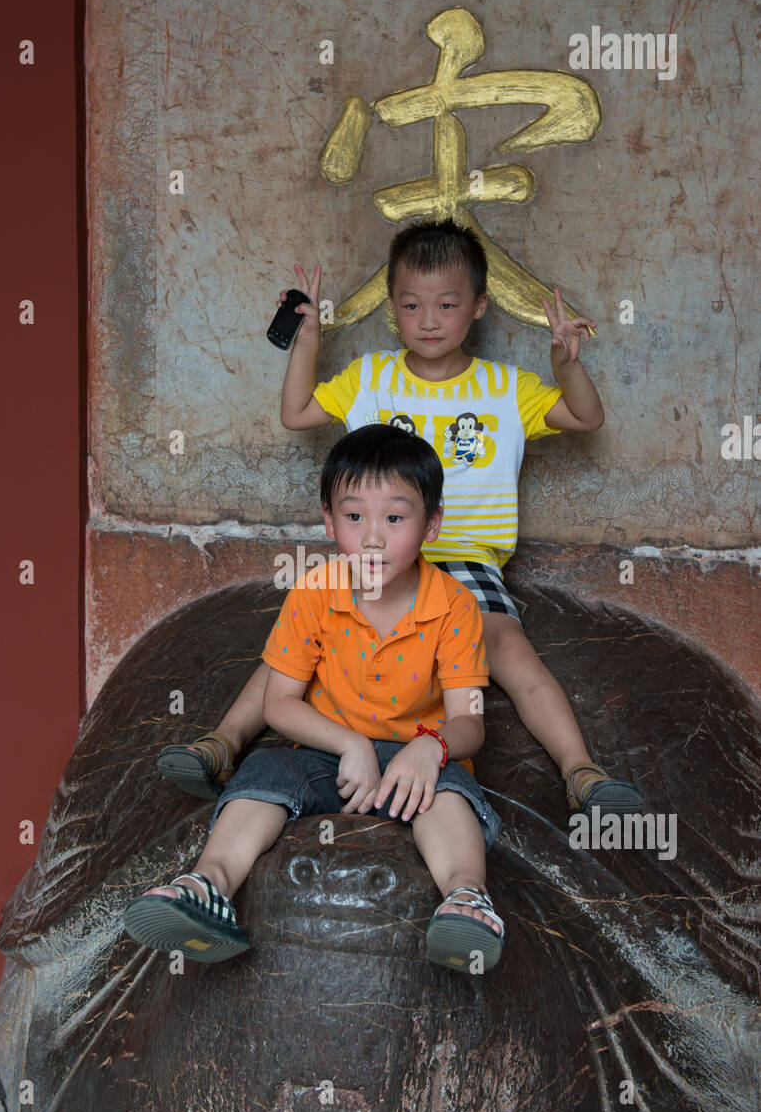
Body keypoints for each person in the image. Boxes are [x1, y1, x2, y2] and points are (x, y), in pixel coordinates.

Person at [158, 219, 643, 822]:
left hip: (465, 562)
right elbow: (297, 411)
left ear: (479, 307)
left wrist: (567, 365)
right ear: (393, 309)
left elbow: (584, 417)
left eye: (447, 304)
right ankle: (222, 744)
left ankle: (581, 773)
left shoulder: (506, 387)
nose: (430, 320)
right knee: (294, 652)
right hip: (374, 558)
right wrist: (308, 339)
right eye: (412, 305)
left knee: (512, 652)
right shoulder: (370, 378)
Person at [124, 425, 505, 972]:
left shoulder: (455, 607)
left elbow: (470, 722)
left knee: (451, 794)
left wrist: (432, 747)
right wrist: (347, 742)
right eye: (354, 517)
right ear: (328, 521)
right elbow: (279, 703)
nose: (372, 538)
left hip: (415, 765)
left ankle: (467, 899)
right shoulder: (314, 592)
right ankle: (208, 885)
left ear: (432, 523)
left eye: (395, 518)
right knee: (265, 773)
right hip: (329, 759)